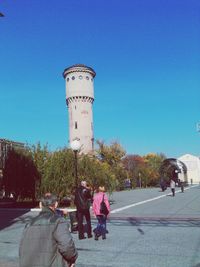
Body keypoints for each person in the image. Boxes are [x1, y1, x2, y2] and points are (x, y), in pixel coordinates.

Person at [19, 193, 78, 267]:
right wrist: (72, 259)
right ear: (56, 204)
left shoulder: (29, 224)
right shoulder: (58, 221)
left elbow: (22, 249)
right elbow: (67, 247)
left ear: (40, 205)